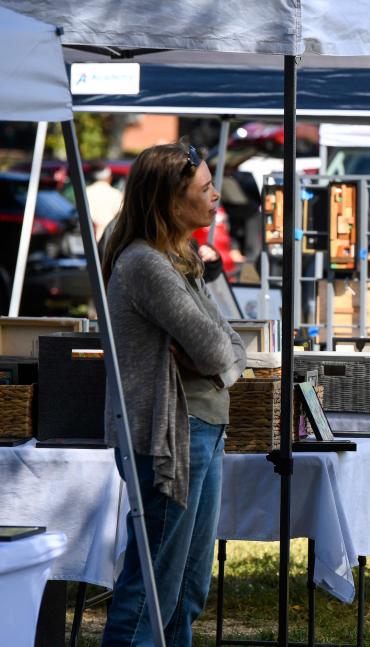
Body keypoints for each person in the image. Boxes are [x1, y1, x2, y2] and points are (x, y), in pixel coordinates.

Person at [100, 142, 246, 646]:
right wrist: (222, 361)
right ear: (169, 201)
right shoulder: (146, 264)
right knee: (150, 592)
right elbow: (213, 348)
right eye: (203, 190)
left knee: (185, 589)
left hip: (200, 428)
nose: (215, 199)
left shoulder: (177, 256)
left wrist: (222, 362)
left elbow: (230, 347)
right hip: (169, 438)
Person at [87, 164, 124, 243]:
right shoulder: (115, 194)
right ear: (108, 178)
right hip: (108, 238)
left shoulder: (85, 192)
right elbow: (121, 216)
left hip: (86, 238)